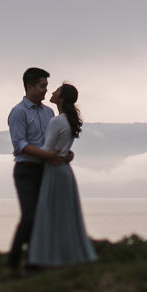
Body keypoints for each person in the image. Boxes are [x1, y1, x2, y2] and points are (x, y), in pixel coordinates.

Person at [7, 67, 71, 272]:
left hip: (46, 170)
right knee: (29, 217)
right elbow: (19, 145)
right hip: (26, 170)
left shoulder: (49, 112)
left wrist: (64, 154)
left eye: (46, 86)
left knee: (42, 218)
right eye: (42, 86)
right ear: (29, 86)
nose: (45, 90)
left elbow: (51, 143)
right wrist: (48, 155)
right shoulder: (18, 112)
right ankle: (13, 261)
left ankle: (34, 263)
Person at [28, 83, 97, 267]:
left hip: (54, 170)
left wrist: (25, 150)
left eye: (57, 91)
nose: (52, 92)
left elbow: (47, 149)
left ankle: (51, 257)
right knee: (66, 217)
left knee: (51, 215)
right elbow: (62, 149)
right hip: (65, 171)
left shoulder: (57, 121)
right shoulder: (68, 120)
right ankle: (67, 256)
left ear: (62, 99)